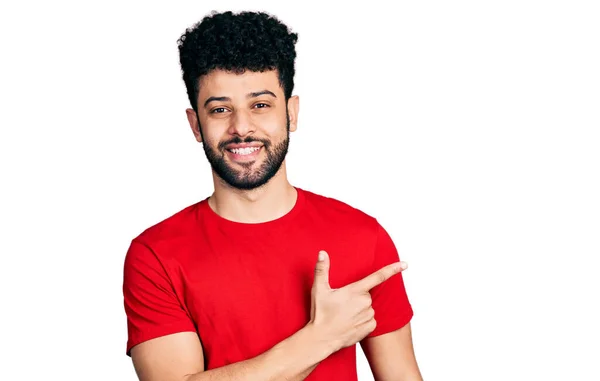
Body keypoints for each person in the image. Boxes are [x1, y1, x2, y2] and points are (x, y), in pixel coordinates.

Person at [122, 10, 423, 381]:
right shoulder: (156, 255)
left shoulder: (363, 237)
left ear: (291, 114)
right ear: (195, 124)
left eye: (260, 105)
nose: (241, 127)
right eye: (220, 110)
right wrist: (320, 340)